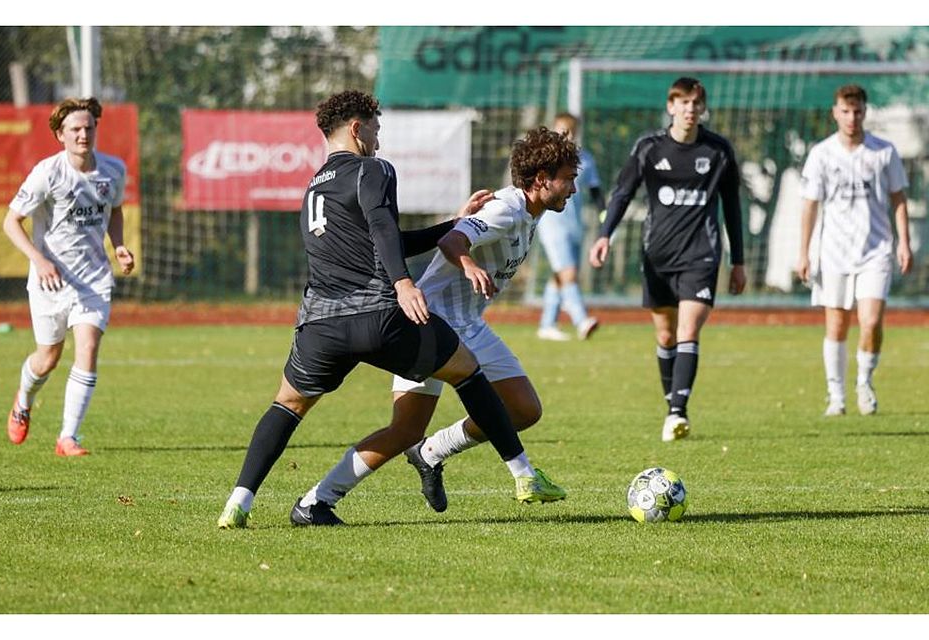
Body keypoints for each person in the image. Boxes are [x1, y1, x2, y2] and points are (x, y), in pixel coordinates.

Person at [217, 91, 565, 529]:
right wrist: (402, 283)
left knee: (287, 405)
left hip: (319, 323)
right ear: (357, 129)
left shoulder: (312, 187)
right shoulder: (373, 168)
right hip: (377, 316)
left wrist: (453, 225)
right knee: (468, 373)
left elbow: (388, 242)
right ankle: (524, 475)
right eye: (376, 130)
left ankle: (239, 503)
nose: (379, 140)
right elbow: (383, 227)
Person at [296, 126, 578, 518]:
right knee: (404, 429)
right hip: (429, 321)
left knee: (521, 411)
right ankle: (317, 500)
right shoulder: (508, 208)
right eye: (569, 180)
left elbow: (457, 232)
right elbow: (452, 241)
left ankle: (428, 452)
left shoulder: (530, 213)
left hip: (469, 324)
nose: (574, 189)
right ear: (542, 179)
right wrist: (468, 265)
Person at [589, 77, 747, 442]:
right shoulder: (648, 147)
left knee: (688, 330)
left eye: (696, 104)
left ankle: (678, 412)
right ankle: (672, 401)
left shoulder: (718, 150)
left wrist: (738, 261)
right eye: (683, 103)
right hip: (657, 255)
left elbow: (733, 208)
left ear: (702, 108)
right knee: (665, 334)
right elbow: (623, 192)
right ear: (671, 106)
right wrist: (604, 235)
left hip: (701, 255)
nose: (690, 110)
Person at [3, 97, 134, 457]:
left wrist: (118, 245)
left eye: (89, 127)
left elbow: (116, 209)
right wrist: (39, 260)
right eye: (75, 129)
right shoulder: (48, 172)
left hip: (93, 279)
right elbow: (11, 222)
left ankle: (68, 437)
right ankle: (24, 399)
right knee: (48, 357)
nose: (83, 134)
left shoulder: (113, 169)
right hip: (51, 282)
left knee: (88, 349)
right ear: (60, 134)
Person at [796, 84, 912, 417]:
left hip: (876, 251)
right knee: (836, 326)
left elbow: (898, 199)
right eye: (845, 111)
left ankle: (864, 381)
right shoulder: (821, 154)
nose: (852, 117)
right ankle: (836, 395)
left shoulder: (883, 152)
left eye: (857, 110)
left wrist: (904, 241)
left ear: (865, 111)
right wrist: (804, 252)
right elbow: (810, 205)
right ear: (835, 112)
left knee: (871, 321)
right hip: (833, 253)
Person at [536, 112, 602, 342]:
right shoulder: (545, 161)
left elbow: (596, 191)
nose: (568, 135)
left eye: (572, 130)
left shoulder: (586, 159)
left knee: (560, 275)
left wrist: (605, 218)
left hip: (575, 225)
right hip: (552, 224)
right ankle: (581, 320)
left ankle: (547, 324)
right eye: (563, 130)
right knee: (568, 273)